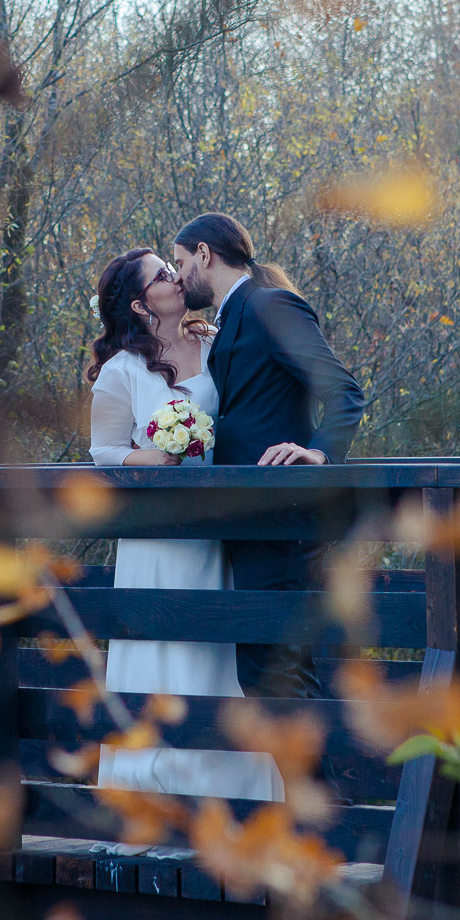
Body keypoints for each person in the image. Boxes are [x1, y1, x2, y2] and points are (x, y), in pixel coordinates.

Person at [84, 247, 283, 804]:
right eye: (163, 275)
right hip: (157, 538)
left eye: (172, 270)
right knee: (160, 648)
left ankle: (230, 795)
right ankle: (153, 796)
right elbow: (102, 450)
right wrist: (155, 458)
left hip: (215, 531)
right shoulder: (123, 370)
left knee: (215, 650)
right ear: (140, 304)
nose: (177, 278)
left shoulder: (220, 343)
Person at [171, 213, 367, 699]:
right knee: (267, 674)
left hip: (284, 519)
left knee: (275, 677)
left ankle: (319, 778)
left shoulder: (272, 304)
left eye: (179, 262)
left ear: (204, 254)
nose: (177, 276)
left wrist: (319, 455)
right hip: (252, 521)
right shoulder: (236, 315)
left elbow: (345, 392)